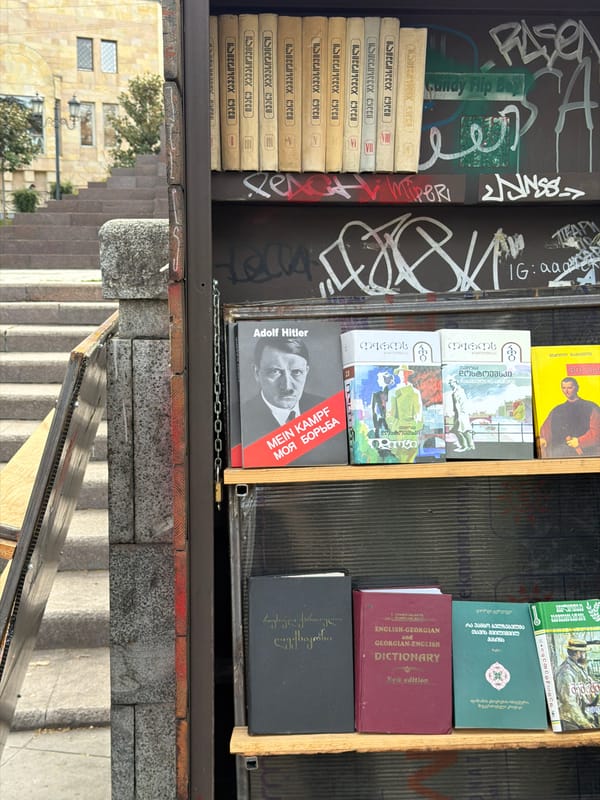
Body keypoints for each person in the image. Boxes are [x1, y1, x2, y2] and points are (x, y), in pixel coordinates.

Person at [242, 337, 323, 441]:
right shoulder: (241, 419)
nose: (287, 386)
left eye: (296, 372)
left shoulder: (326, 410)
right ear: (257, 373)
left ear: (306, 371)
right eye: (275, 371)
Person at [539, 377, 600, 458]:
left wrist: (580, 441)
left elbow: (596, 432)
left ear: (577, 388)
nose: (566, 391)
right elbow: (546, 429)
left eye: (569, 388)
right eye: (564, 388)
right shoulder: (557, 410)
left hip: (584, 453)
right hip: (559, 453)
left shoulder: (590, 407)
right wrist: (543, 438)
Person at [555, 637, 600, 730]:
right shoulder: (566, 673)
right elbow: (569, 702)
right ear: (577, 653)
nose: (585, 655)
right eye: (584, 652)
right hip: (572, 721)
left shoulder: (579, 669)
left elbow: (590, 690)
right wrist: (584, 723)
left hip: (582, 718)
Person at [385, 365, 423, 463]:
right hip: (398, 433)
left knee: (410, 458)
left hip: (411, 433)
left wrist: (415, 426)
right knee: (398, 458)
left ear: (408, 374)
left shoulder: (415, 392)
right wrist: (398, 426)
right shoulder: (393, 392)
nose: (402, 375)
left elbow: (419, 413)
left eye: (405, 372)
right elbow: (389, 414)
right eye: (400, 372)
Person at [448, 376, 475, 452]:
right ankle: (469, 446)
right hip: (458, 413)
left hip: (461, 413)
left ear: (455, 382)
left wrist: (461, 414)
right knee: (461, 429)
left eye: (451, 383)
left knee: (461, 429)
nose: (450, 385)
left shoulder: (459, 391)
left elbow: (462, 403)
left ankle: (466, 446)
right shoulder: (455, 391)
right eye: (449, 383)